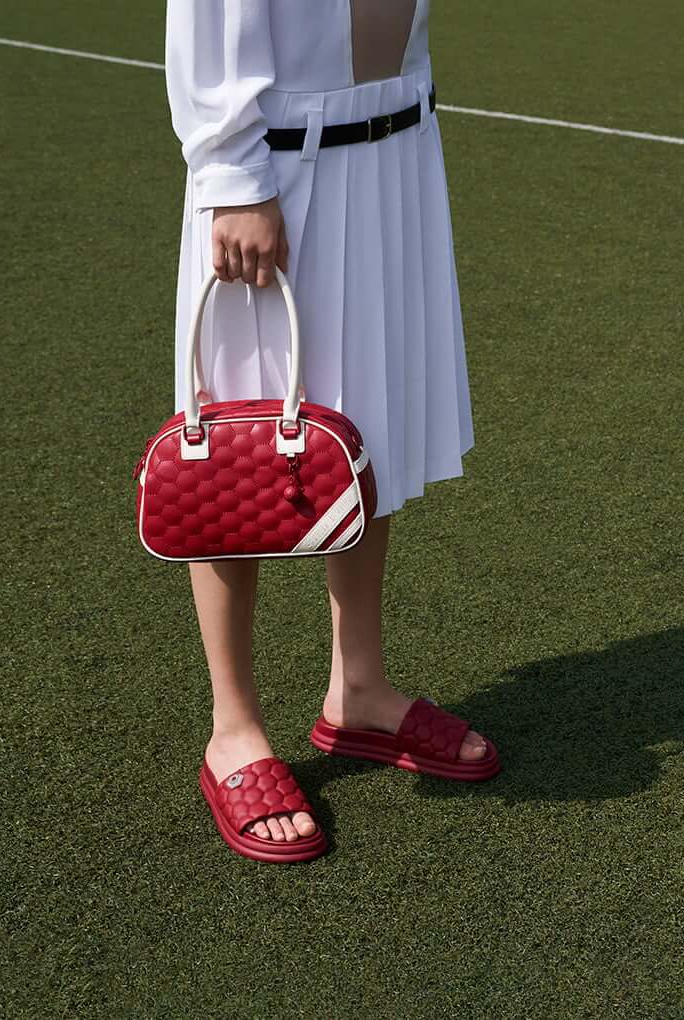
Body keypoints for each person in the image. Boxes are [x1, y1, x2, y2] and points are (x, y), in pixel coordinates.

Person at [164, 1, 500, 863]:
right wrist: (234, 176)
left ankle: (359, 688)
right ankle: (233, 728)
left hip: (396, 148)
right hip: (278, 167)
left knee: (367, 431)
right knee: (235, 446)